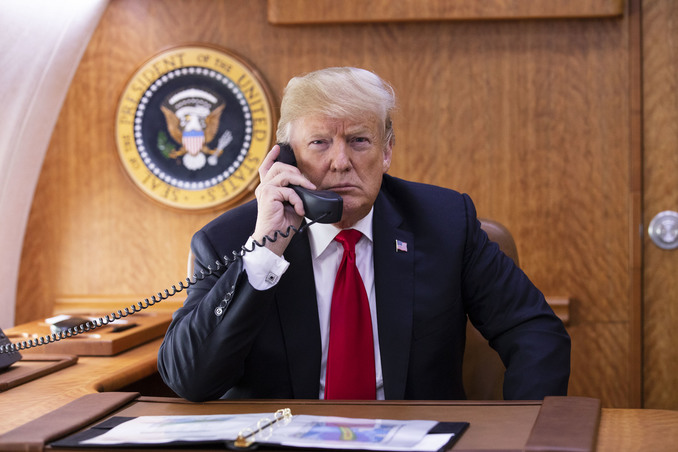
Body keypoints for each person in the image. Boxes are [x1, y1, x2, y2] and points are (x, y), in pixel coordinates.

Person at [157, 67, 570, 402]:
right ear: (285, 156)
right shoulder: (231, 240)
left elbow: (534, 331)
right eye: (319, 142)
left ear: (386, 150)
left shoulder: (445, 223)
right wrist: (265, 253)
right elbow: (190, 380)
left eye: (359, 141)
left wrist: (526, 434)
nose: (340, 162)